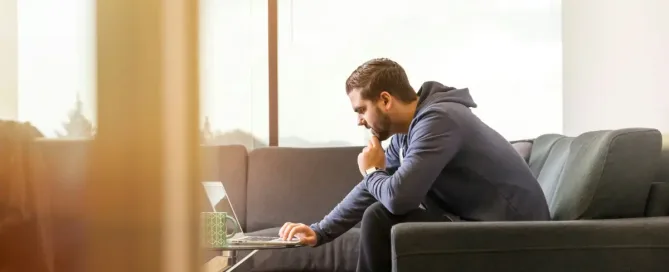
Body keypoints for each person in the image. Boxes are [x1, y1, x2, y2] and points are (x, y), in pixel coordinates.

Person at [278, 58, 550, 272]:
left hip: (515, 234)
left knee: (381, 217)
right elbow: (370, 190)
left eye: (361, 110)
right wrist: (320, 230)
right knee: (378, 215)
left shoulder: (439, 121)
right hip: (478, 225)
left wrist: (373, 171)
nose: (359, 120)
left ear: (385, 100)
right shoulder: (408, 134)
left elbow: (398, 199)